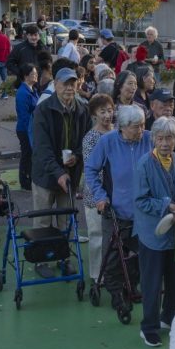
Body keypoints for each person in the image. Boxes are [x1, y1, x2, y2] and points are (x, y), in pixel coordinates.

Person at [133, 116, 175, 347]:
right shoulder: (144, 164)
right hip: (152, 233)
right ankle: (148, 327)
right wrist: (168, 205)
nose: (165, 143)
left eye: (169, 138)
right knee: (152, 282)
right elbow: (141, 200)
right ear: (153, 139)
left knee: (174, 280)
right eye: (160, 138)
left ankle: (169, 317)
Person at [86, 105, 150, 306]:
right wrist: (100, 196)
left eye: (142, 125)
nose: (141, 131)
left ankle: (133, 284)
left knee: (142, 252)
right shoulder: (108, 142)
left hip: (143, 210)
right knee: (113, 253)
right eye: (136, 127)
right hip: (116, 209)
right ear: (122, 127)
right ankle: (115, 291)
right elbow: (90, 170)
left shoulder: (149, 138)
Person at [31, 67, 91, 225]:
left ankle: (64, 250)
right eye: (65, 84)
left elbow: (87, 141)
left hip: (70, 174)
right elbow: (41, 148)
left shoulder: (83, 109)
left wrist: (77, 156)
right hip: (45, 175)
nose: (70, 88)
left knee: (66, 223)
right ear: (55, 84)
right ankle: (42, 250)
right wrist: (58, 173)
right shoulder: (42, 110)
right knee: (42, 224)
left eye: (73, 83)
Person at [81, 94, 115, 288]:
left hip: (117, 195)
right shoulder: (91, 138)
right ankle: (97, 274)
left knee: (114, 238)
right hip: (96, 196)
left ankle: (114, 271)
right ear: (94, 114)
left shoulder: (119, 132)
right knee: (96, 235)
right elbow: (91, 169)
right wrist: (103, 192)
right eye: (102, 111)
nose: (107, 115)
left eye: (110, 110)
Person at [14, 64, 39, 191]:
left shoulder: (32, 89)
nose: (36, 76)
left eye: (36, 73)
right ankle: (25, 181)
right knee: (26, 155)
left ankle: (29, 178)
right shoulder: (23, 92)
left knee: (29, 155)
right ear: (25, 76)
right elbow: (24, 115)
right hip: (25, 129)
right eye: (33, 74)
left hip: (31, 128)